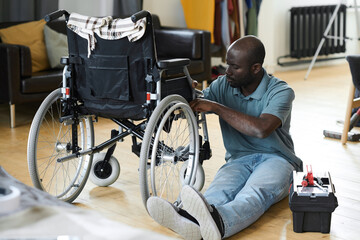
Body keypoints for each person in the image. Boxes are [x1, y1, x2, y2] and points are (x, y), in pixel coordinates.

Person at [146, 35, 303, 240]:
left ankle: (220, 224)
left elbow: (262, 129)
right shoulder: (224, 84)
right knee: (218, 191)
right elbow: (199, 100)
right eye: (227, 64)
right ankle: (188, 219)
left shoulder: (281, 91)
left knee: (254, 192)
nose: (227, 71)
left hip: (278, 159)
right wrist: (185, 90)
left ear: (256, 68)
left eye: (234, 67)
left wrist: (216, 107)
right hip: (239, 159)